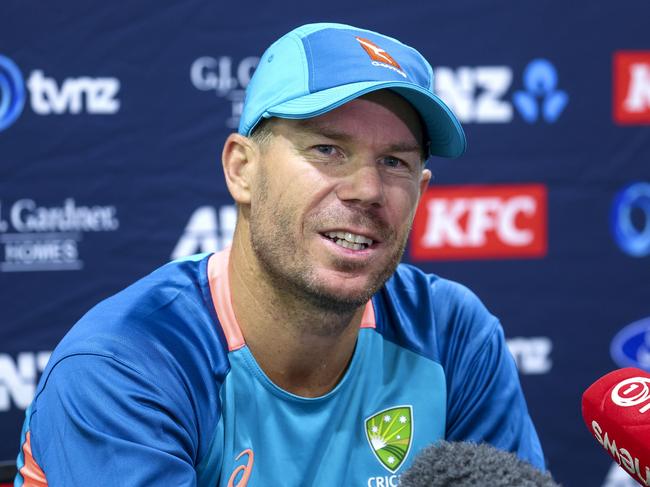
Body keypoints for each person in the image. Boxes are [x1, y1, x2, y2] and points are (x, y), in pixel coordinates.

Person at [15, 22, 544, 486]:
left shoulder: (451, 335)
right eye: (327, 149)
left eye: (395, 162)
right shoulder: (127, 365)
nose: (367, 188)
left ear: (421, 191)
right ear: (242, 169)